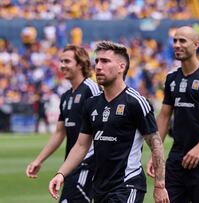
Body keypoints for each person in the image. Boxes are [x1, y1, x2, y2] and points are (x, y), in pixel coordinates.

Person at [48, 41, 169, 203]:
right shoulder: (91, 103)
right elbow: (81, 145)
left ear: (121, 67)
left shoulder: (135, 102)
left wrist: (160, 186)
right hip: (99, 188)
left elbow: (156, 144)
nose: (98, 66)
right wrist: (61, 174)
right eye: (97, 61)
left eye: (105, 61)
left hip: (127, 186)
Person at [147, 26, 199, 203]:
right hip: (176, 158)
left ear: (196, 44)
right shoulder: (171, 77)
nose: (177, 45)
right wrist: (156, 154)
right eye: (175, 41)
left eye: (182, 40)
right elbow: (164, 116)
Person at [26, 45, 101, 202]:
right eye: (61, 61)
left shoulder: (91, 88)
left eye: (67, 61)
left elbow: (103, 126)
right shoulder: (66, 96)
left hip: (88, 163)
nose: (62, 65)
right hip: (71, 164)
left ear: (80, 64)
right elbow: (60, 132)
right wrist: (38, 160)